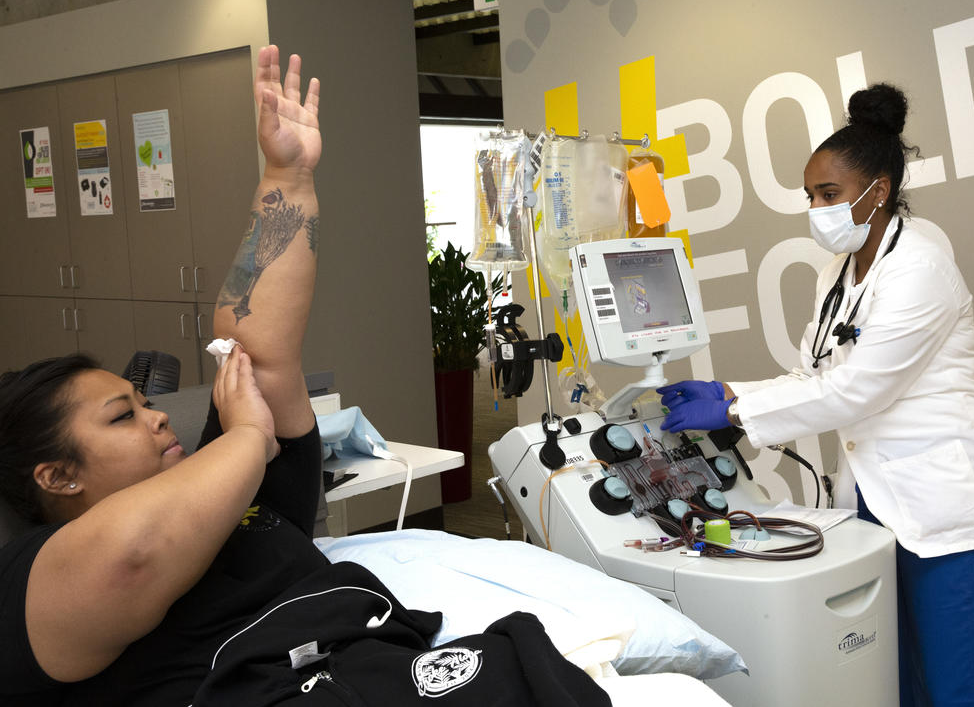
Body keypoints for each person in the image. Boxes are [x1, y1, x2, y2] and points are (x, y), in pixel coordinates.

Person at [0, 46, 609, 707]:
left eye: (144, 402)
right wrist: (245, 442)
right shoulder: (35, 574)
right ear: (57, 476)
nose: (155, 416)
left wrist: (288, 178)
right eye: (123, 416)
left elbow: (252, 341)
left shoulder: (231, 487)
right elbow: (133, 553)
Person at [658, 83, 974, 706]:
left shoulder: (920, 266)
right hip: (873, 502)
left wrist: (736, 411)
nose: (817, 208)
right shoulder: (839, 270)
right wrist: (728, 388)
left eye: (830, 195)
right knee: (895, 681)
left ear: (879, 191)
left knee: (963, 686)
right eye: (811, 196)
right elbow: (816, 373)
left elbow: (858, 390)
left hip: (942, 510)